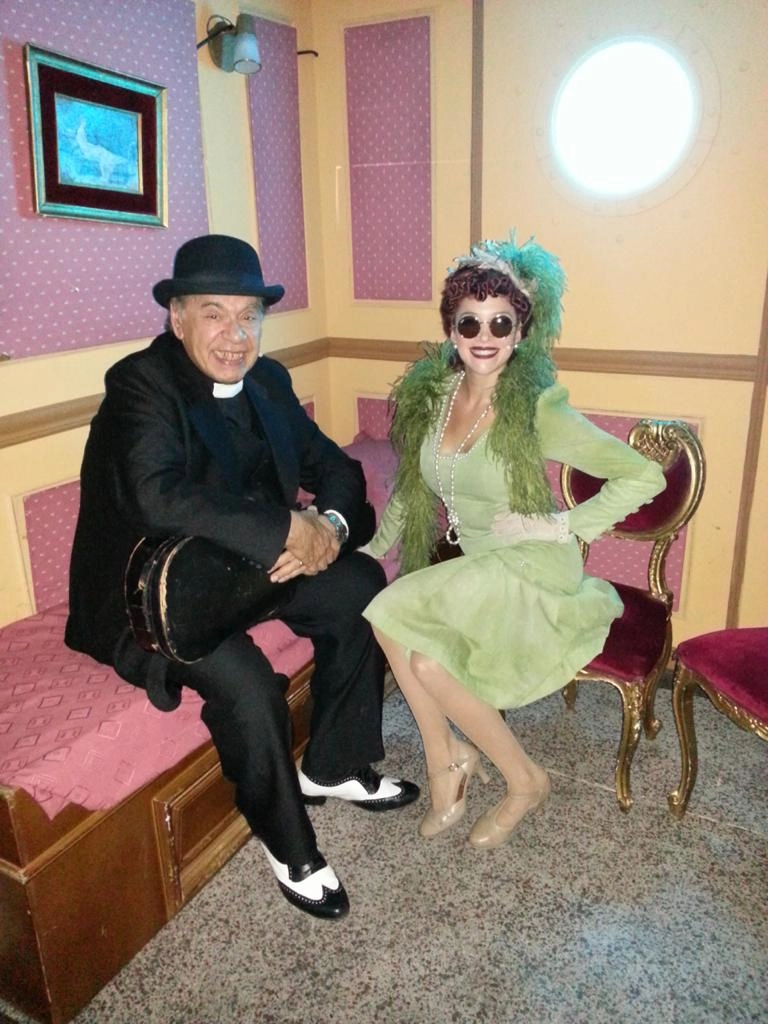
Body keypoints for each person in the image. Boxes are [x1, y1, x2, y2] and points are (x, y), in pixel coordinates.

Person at [65, 234, 418, 919]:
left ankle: (333, 766)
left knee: (357, 585)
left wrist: (331, 528)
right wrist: (287, 528)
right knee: (249, 686)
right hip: (158, 593)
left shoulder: (269, 382)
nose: (235, 335)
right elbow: (156, 497)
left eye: (248, 316)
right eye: (214, 314)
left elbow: (336, 469)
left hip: (248, 570)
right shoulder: (140, 383)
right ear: (178, 319)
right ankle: (287, 843)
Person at [361, 233, 665, 850]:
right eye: (469, 321)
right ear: (451, 330)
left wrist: (559, 525)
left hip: (532, 562)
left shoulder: (536, 409)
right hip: (481, 562)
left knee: (417, 648)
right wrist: (371, 549)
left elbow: (644, 476)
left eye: (501, 322)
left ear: (520, 332)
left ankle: (523, 781)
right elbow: (410, 491)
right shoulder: (435, 398)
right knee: (400, 632)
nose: (485, 335)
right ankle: (449, 760)